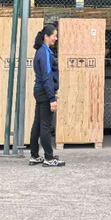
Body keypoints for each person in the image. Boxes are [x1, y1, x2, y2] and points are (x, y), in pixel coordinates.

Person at [29, 24, 65, 167]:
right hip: (45, 92)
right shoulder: (44, 53)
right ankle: (49, 158)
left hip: (39, 90)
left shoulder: (42, 51)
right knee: (45, 125)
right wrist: (52, 98)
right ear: (46, 37)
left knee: (37, 123)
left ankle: (34, 155)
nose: (56, 38)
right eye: (54, 36)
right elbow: (47, 76)